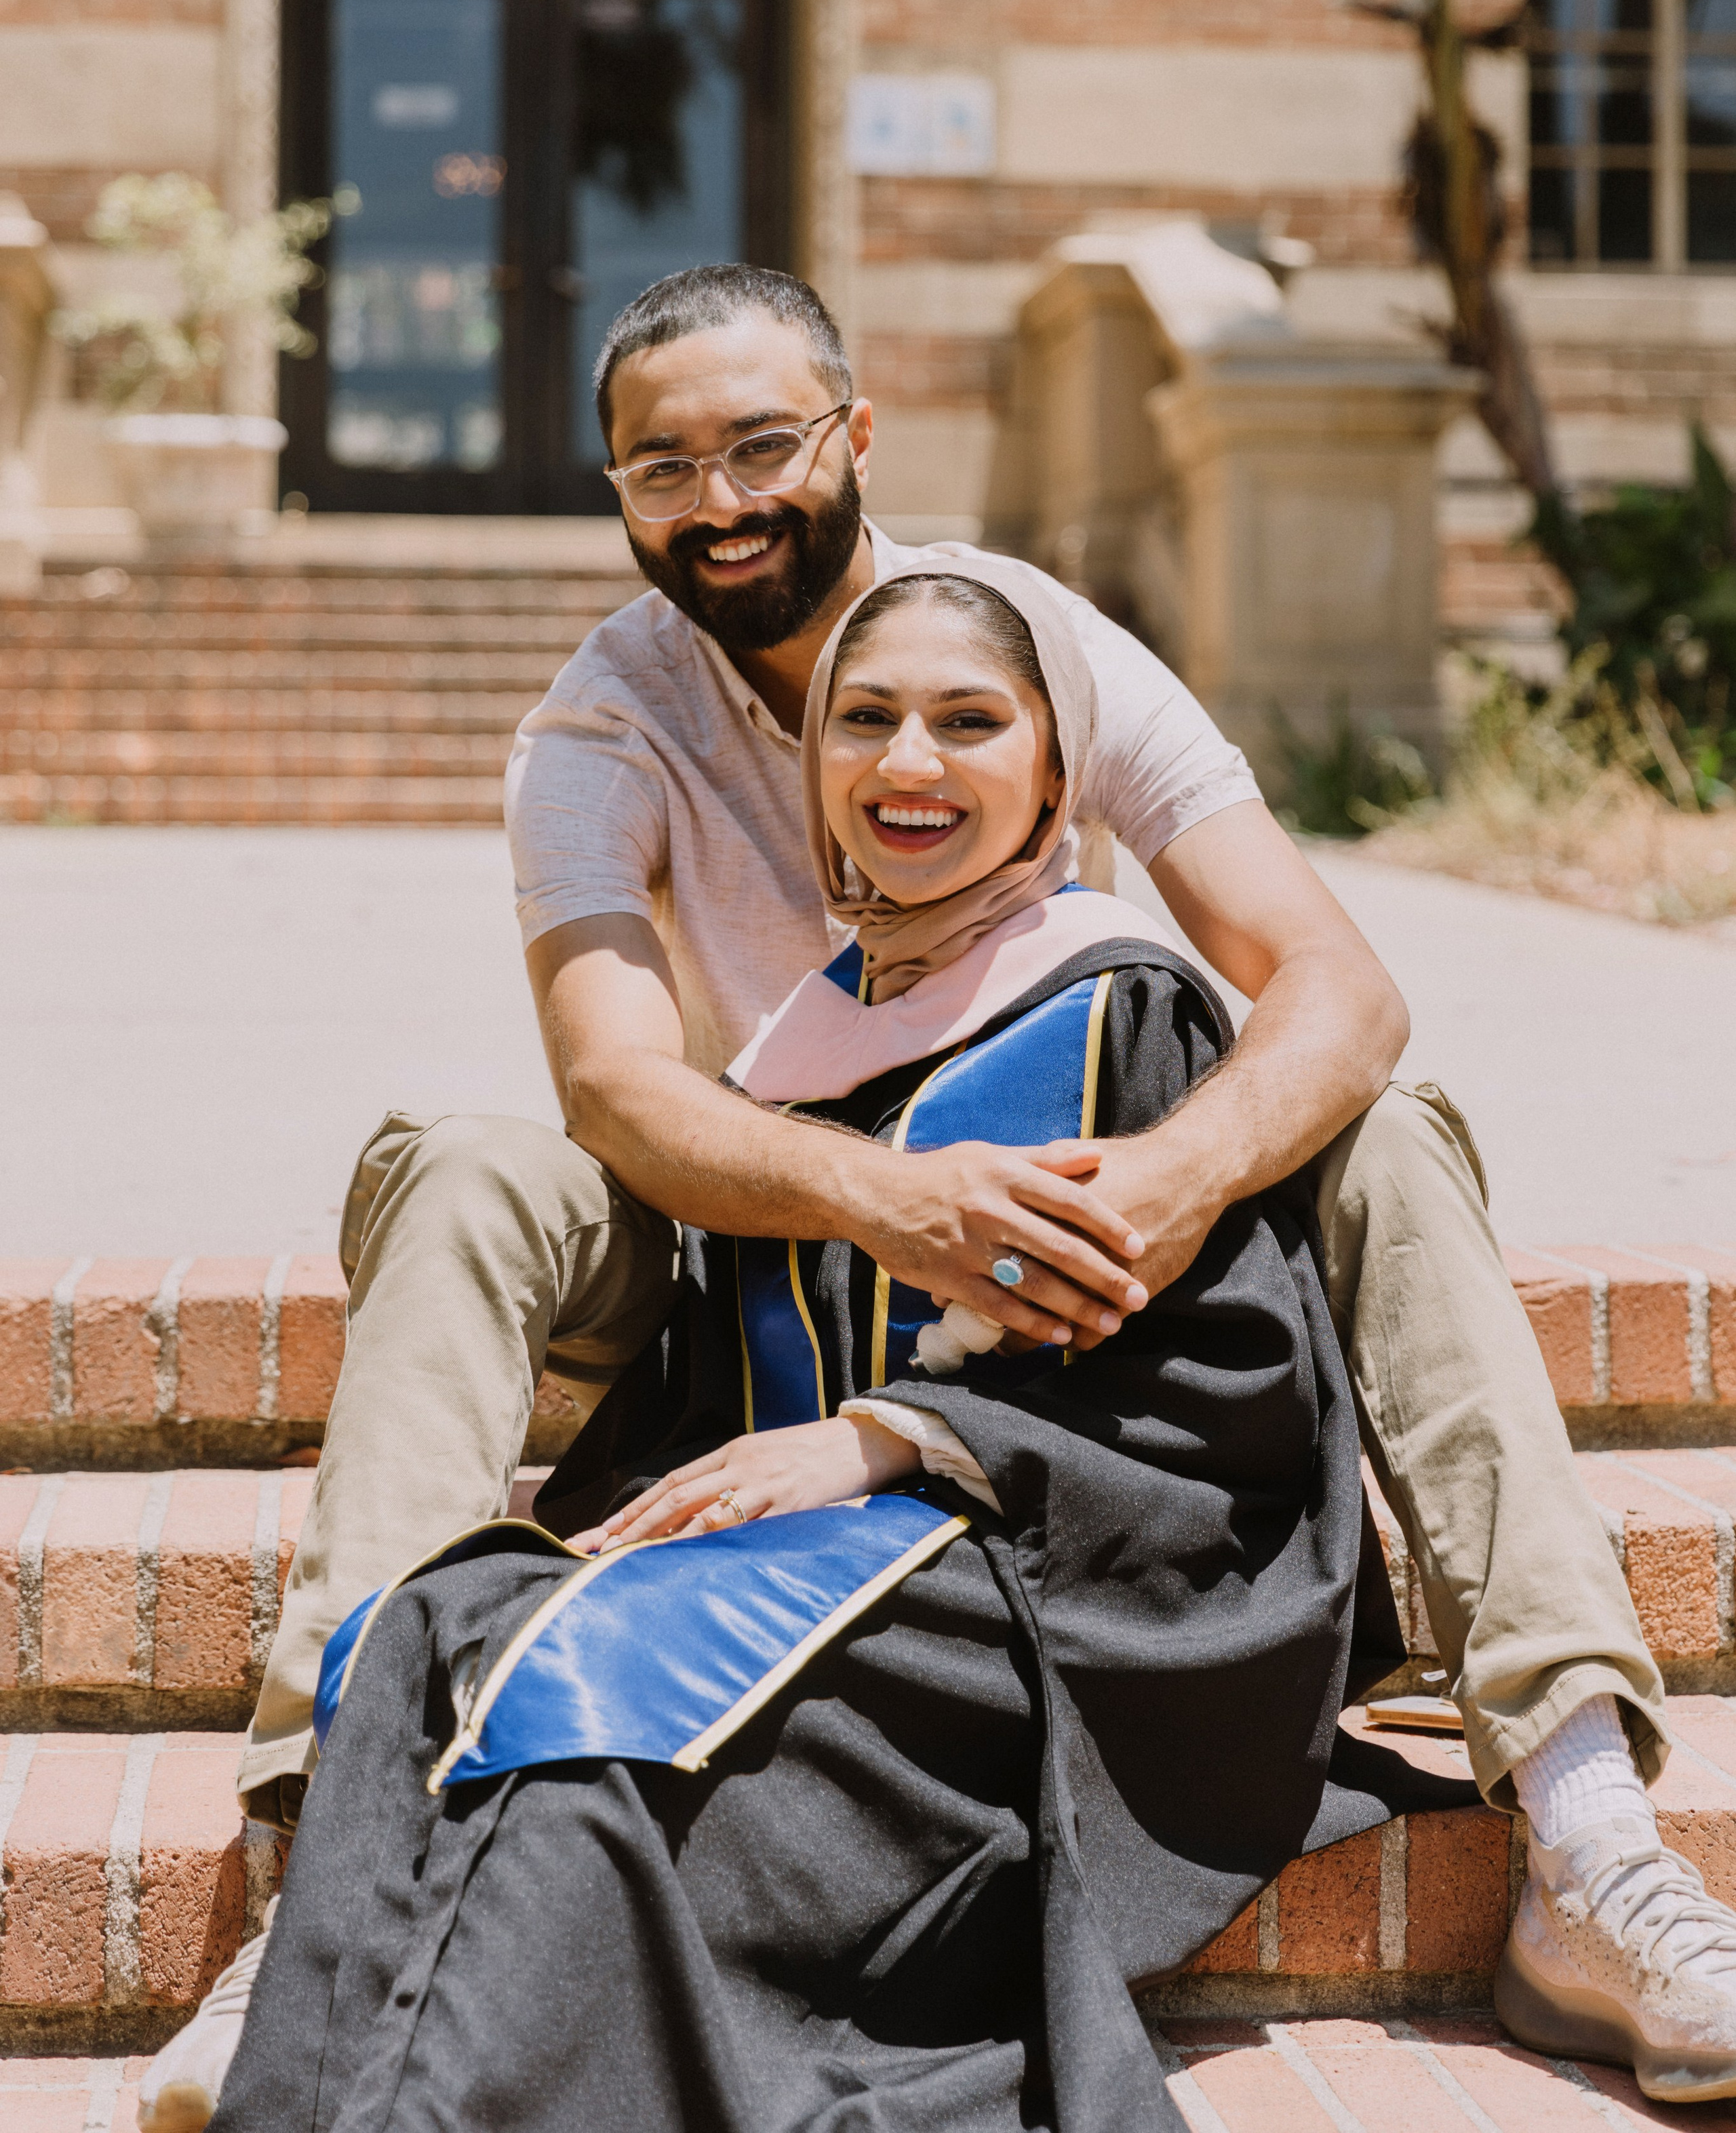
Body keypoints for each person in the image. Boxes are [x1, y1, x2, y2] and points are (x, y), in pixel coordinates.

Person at [141, 264, 1736, 2128]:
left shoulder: (1031, 639)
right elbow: (619, 1087)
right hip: (752, 1243)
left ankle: (1586, 1831)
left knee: (1387, 1130)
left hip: (1064, 1261)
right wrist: (886, 1202)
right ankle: (326, 1848)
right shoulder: (599, 726)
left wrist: (1164, 1177)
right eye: (665, 468)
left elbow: (1344, 987)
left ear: (854, 436)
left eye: (761, 446)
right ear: (617, 491)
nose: (722, 501)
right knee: (471, 1169)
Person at [204, 563, 1472, 2133]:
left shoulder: (1119, 1017)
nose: (908, 764)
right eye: (863, 722)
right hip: (827, 1569)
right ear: (813, 774)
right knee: (454, 1628)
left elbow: (1223, 1402)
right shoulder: (789, 1061)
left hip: (1049, 1595)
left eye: (966, 721)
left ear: (1055, 779)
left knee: (595, 1755)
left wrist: (883, 1442)